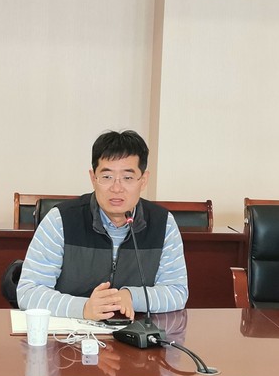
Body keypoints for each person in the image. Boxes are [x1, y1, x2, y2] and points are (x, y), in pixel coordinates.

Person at [17, 130, 188, 321]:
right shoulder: (60, 220)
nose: (117, 188)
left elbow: (177, 292)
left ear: (143, 180)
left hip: (135, 333)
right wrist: (84, 308)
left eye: (128, 178)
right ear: (93, 178)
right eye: (107, 177)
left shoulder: (163, 224)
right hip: (70, 336)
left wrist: (131, 297)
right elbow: (28, 291)